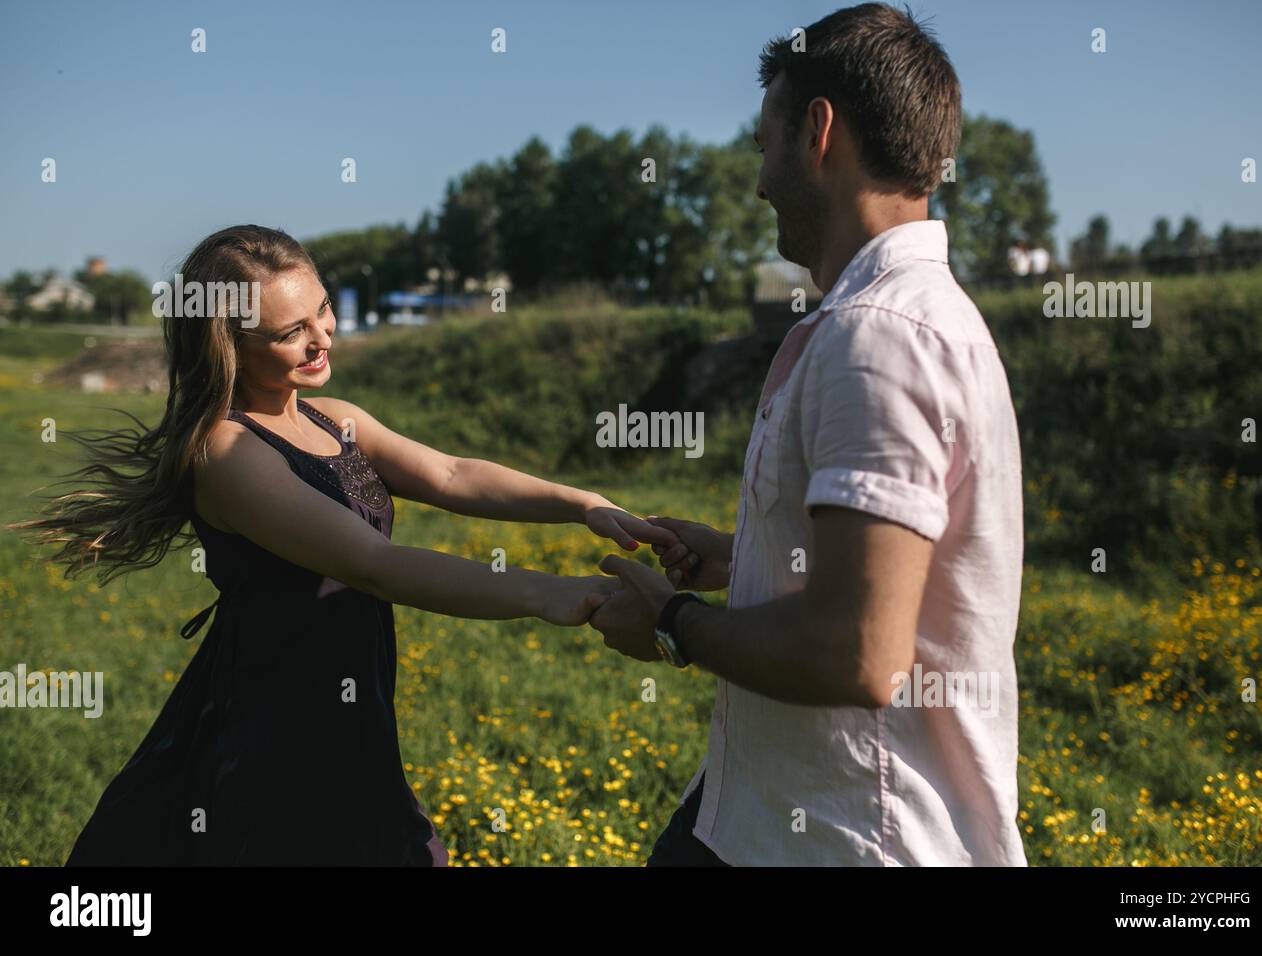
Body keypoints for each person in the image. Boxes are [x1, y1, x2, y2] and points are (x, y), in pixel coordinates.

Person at [13, 224, 676, 866]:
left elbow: (451, 474)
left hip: (351, 704)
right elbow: (375, 565)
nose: (321, 338)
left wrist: (583, 505)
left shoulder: (337, 420)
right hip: (275, 717)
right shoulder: (227, 451)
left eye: (322, 310)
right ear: (230, 345)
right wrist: (551, 593)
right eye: (289, 333)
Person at [591, 3, 1028, 867]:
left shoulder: (882, 335)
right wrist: (744, 554)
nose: (758, 183)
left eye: (764, 146)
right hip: (763, 809)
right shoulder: (900, 319)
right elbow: (883, 579)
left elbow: (854, 654)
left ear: (817, 132)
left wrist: (674, 622)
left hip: (845, 834)